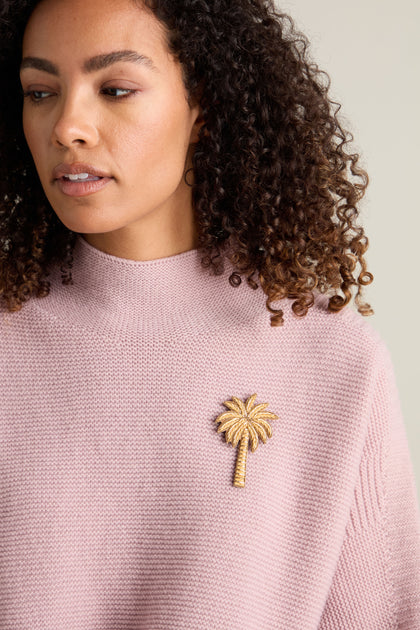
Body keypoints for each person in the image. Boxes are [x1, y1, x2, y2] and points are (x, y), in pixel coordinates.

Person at [1, 0, 419, 628]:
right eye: (39, 92)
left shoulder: (331, 360)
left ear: (206, 105)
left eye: (114, 88)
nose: (67, 126)